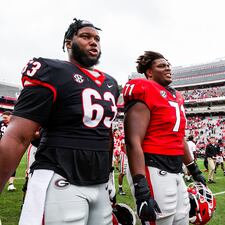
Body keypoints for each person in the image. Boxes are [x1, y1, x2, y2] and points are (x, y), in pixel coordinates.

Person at [0, 18, 119, 225]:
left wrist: (109, 176)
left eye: (97, 38)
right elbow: (18, 136)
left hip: (99, 181)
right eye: (85, 36)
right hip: (59, 175)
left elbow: (105, 133)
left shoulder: (110, 83)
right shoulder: (51, 71)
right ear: (68, 43)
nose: (93, 42)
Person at [122, 51, 206, 225]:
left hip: (175, 168)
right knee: (160, 220)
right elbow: (133, 140)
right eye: (161, 65)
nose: (167, 68)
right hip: (153, 165)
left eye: (168, 65)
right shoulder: (144, 88)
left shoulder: (176, 96)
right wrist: (140, 185)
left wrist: (194, 169)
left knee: (182, 218)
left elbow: (178, 137)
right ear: (149, 72)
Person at [0, 111, 16, 191]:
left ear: (11, 116)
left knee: (11, 165)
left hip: (11, 148)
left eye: (5, 117)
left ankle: (11, 184)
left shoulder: (16, 125)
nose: (4, 119)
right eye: (3, 118)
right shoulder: (1, 124)